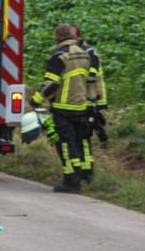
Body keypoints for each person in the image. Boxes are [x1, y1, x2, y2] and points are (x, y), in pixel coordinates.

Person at [34, 24, 103, 192]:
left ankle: (71, 182)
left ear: (57, 37)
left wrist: (35, 100)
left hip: (62, 107)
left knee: (66, 145)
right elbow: (91, 79)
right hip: (81, 106)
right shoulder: (85, 54)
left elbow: (51, 84)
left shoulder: (59, 56)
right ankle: (82, 175)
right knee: (79, 142)